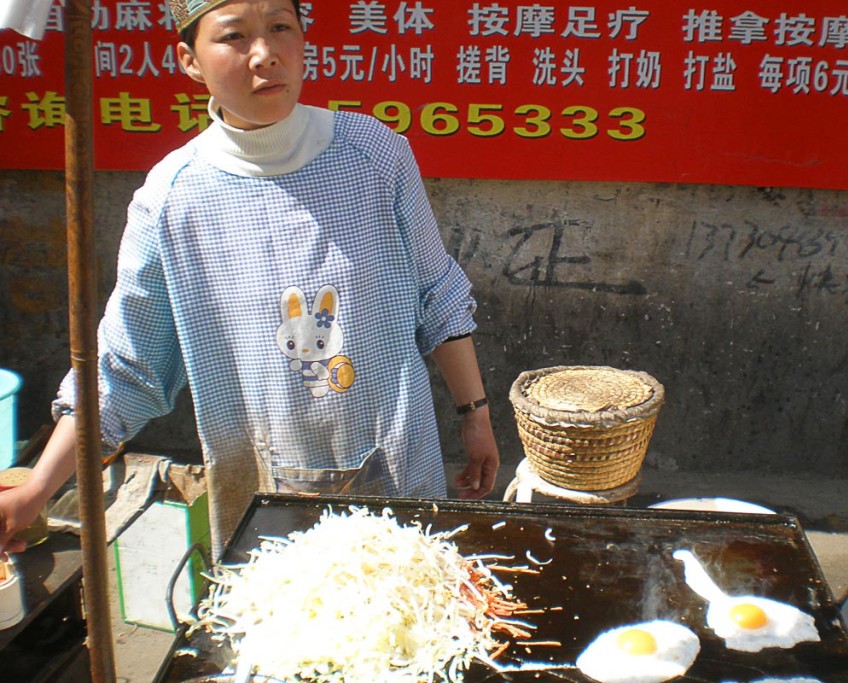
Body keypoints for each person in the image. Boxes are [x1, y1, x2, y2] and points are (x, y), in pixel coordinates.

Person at [0, 0, 499, 556]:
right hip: (262, 495)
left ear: (304, 40)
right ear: (190, 60)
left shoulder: (375, 155)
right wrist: (38, 489)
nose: (265, 55)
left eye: (280, 29)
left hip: (401, 470)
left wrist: (473, 417)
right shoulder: (172, 201)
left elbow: (439, 296)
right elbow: (124, 371)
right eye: (235, 37)